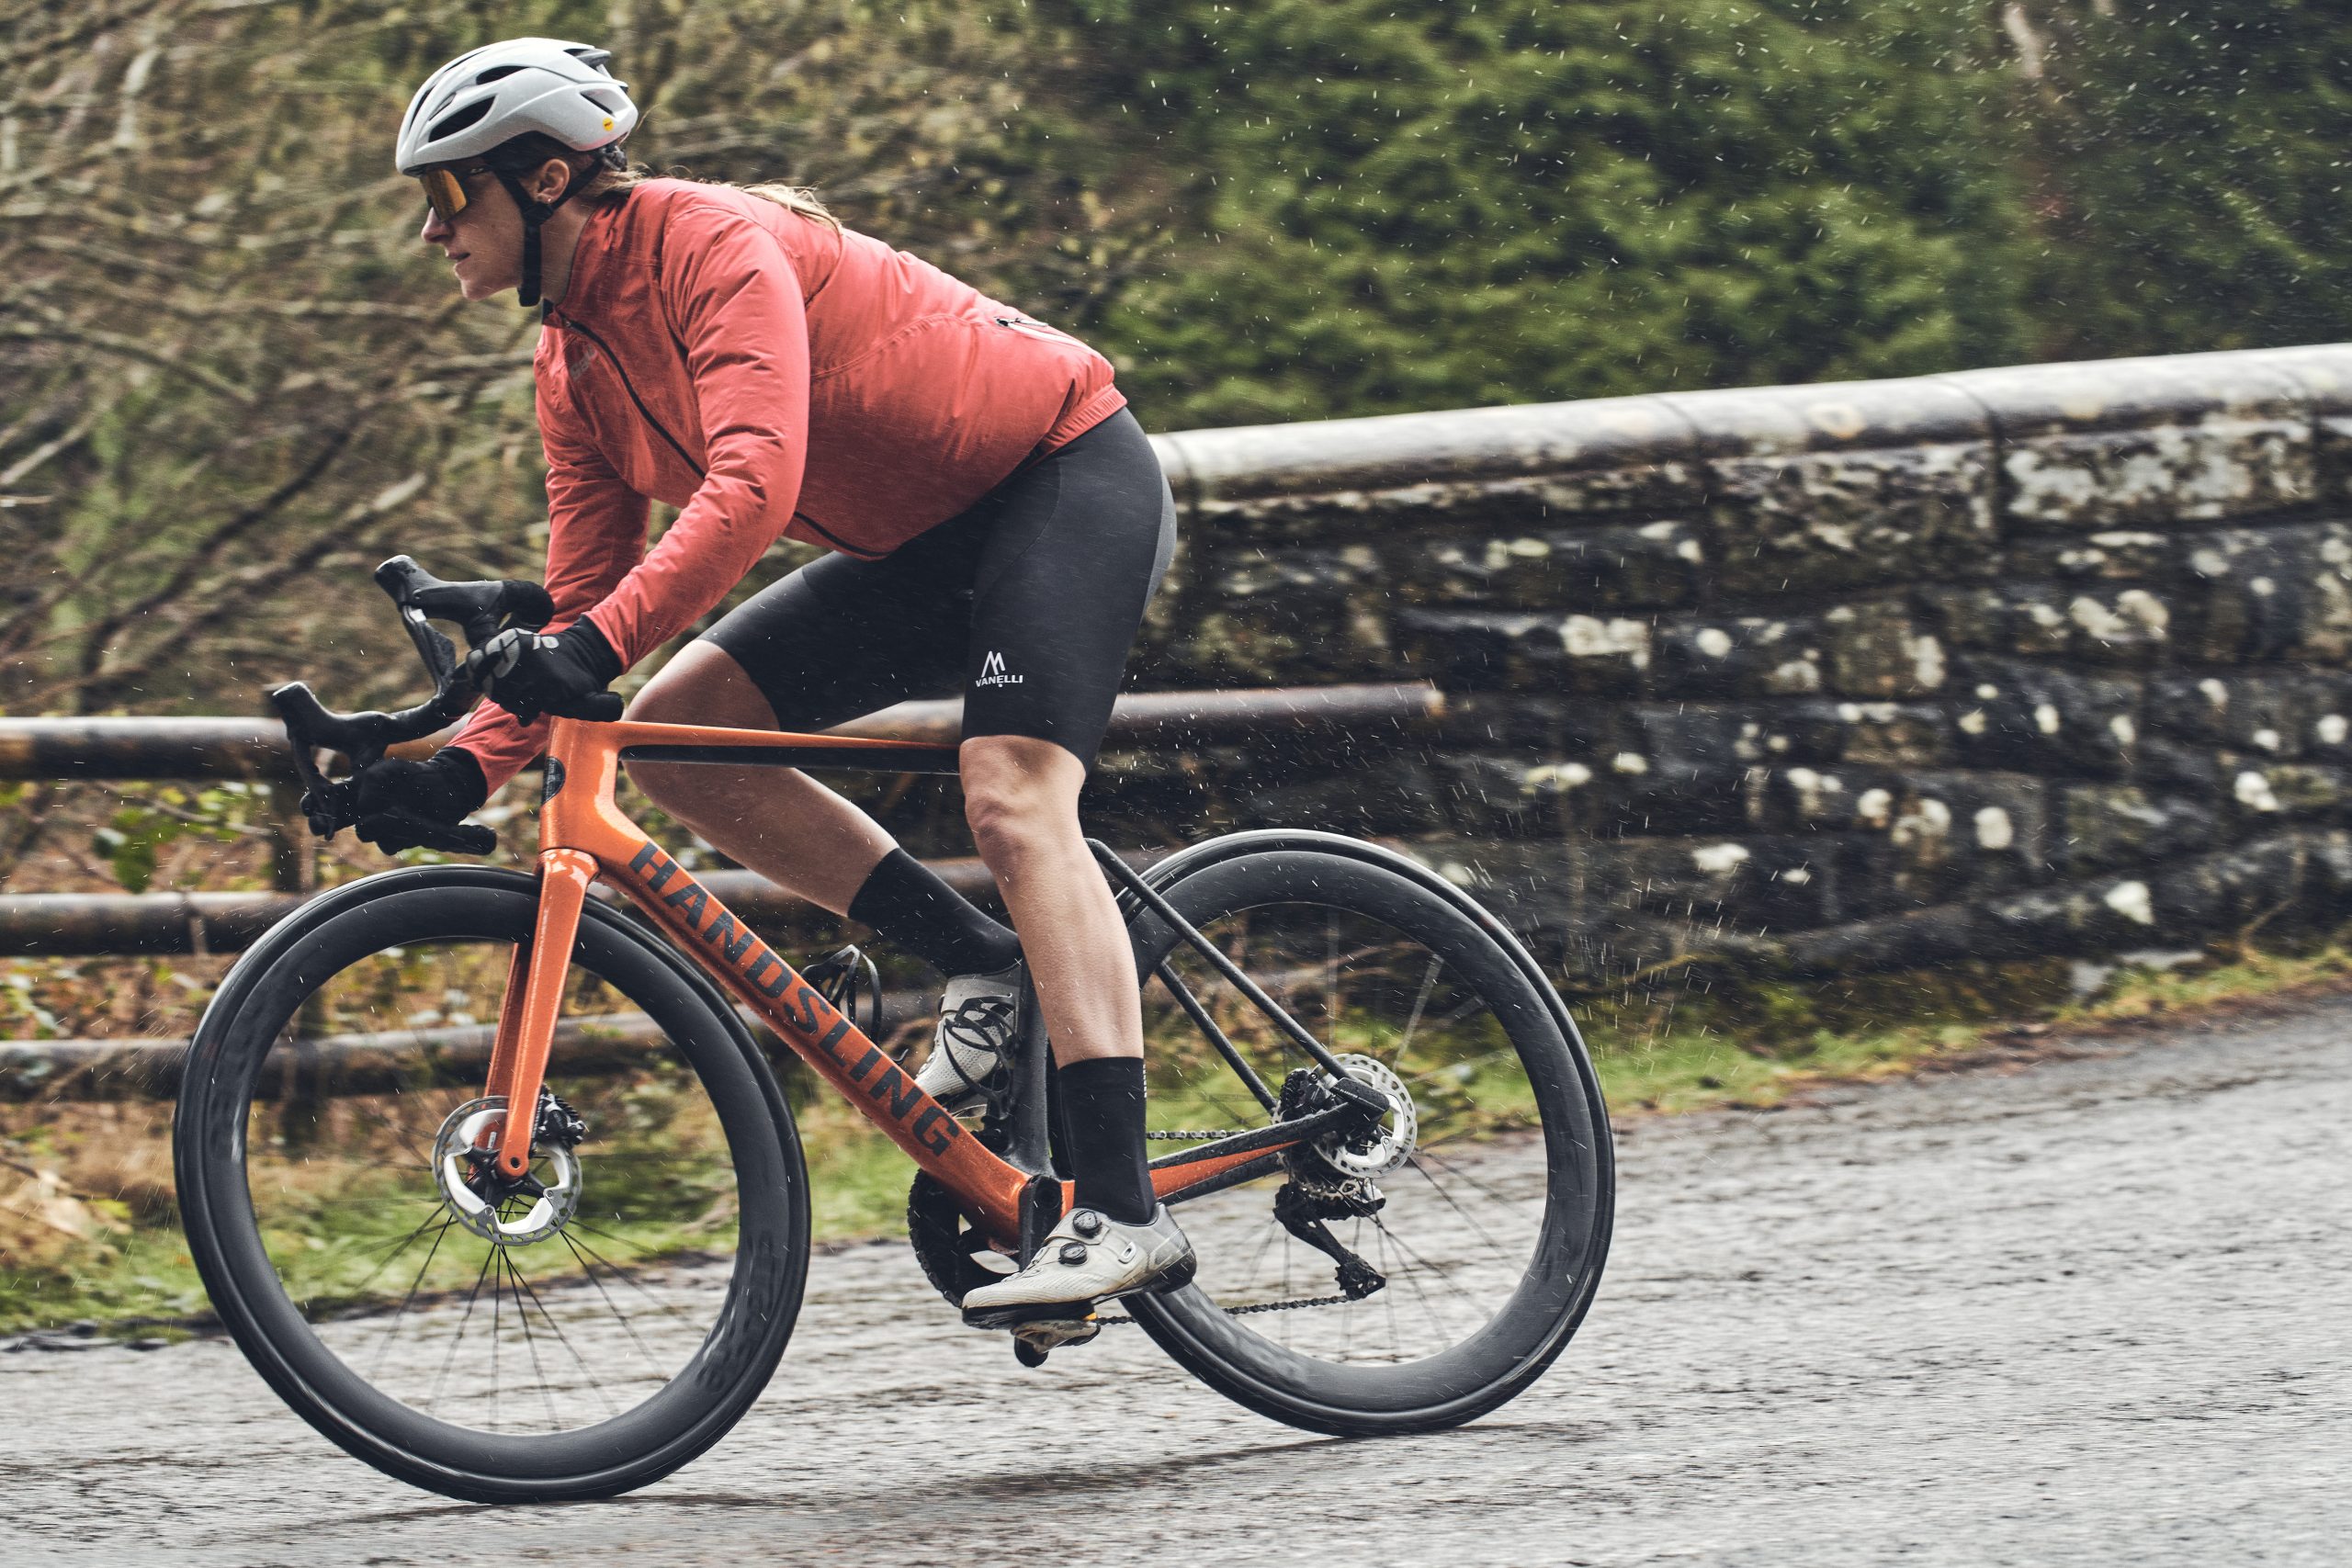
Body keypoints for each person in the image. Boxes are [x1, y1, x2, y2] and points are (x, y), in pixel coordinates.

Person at [357, 37, 1190, 1333]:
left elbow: (756, 484)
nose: (431, 228)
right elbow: (587, 607)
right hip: (917, 549)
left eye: (451, 195)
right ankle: (981, 962)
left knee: (1014, 799)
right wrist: (463, 763)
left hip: (1059, 475)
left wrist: (583, 656)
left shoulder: (710, 244)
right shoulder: (571, 359)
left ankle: (1125, 1211)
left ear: (547, 178)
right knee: (680, 747)